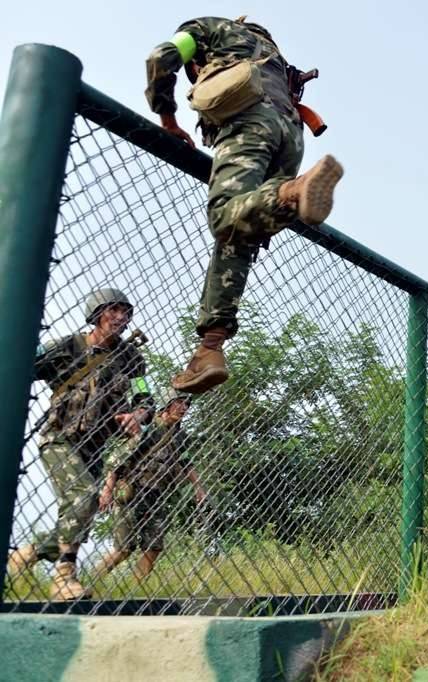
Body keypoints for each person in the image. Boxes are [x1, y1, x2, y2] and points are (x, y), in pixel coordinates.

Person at [145, 15, 343, 395]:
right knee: (241, 228)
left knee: (223, 215)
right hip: (291, 136)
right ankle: (209, 349)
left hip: (250, 123)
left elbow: (160, 57)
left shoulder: (207, 31)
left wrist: (168, 118)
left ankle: (294, 192)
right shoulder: (274, 58)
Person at [6, 288, 153, 599]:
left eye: (125, 311)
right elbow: (20, 365)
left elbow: (146, 398)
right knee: (84, 495)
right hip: (59, 437)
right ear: (96, 313)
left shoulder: (133, 359)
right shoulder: (68, 346)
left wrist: (137, 416)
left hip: (95, 446)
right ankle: (63, 577)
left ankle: (26, 555)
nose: (120, 316)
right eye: (112, 309)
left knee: (83, 513)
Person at [93, 389, 206, 584]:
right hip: (133, 492)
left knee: (153, 548)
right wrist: (107, 491)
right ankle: (91, 582)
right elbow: (116, 461)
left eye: (187, 405)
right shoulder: (151, 430)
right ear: (166, 404)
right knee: (123, 550)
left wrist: (199, 488)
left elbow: (187, 464)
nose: (184, 408)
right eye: (179, 402)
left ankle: (134, 591)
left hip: (156, 495)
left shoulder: (179, 436)